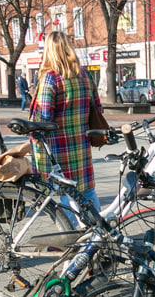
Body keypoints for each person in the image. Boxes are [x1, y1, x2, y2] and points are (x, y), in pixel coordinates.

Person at [30, 31, 102, 218]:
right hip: (81, 145)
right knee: (86, 190)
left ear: (48, 51)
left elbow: (44, 119)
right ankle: (97, 233)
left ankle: (69, 238)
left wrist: (33, 136)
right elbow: (97, 108)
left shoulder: (51, 79)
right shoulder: (85, 76)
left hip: (58, 148)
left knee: (64, 192)